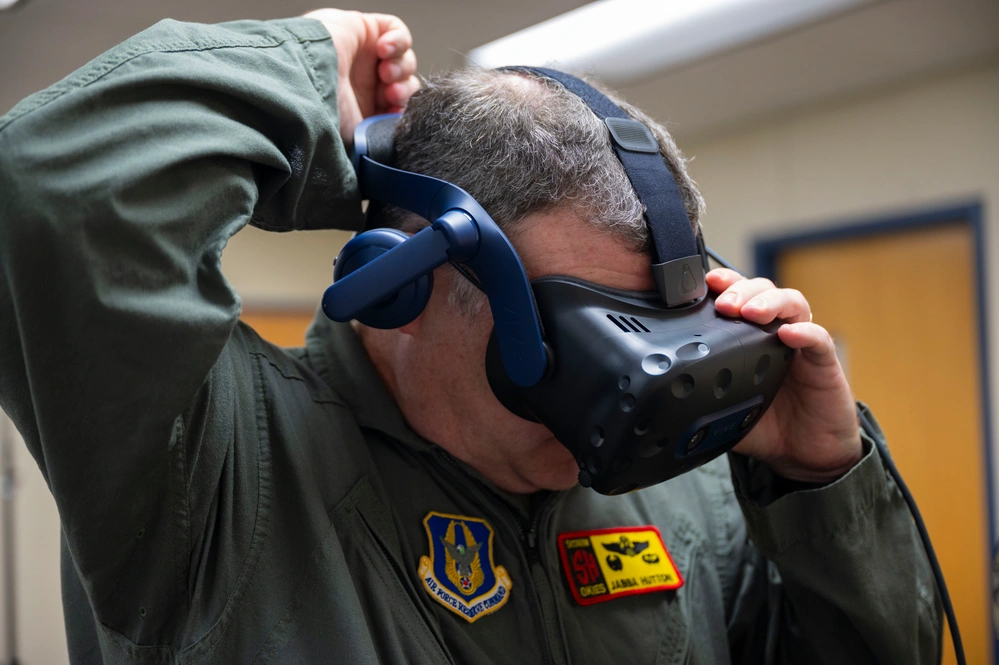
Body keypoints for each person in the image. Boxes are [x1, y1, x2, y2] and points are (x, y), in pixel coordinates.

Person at [0, 8, 942, 665]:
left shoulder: (681, 486)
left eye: (650, 327)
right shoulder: (214, 466)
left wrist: (821, 491)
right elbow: (50, 187)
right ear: (408, 281)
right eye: (587, 336)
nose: (612, 404)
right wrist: (315, 83)